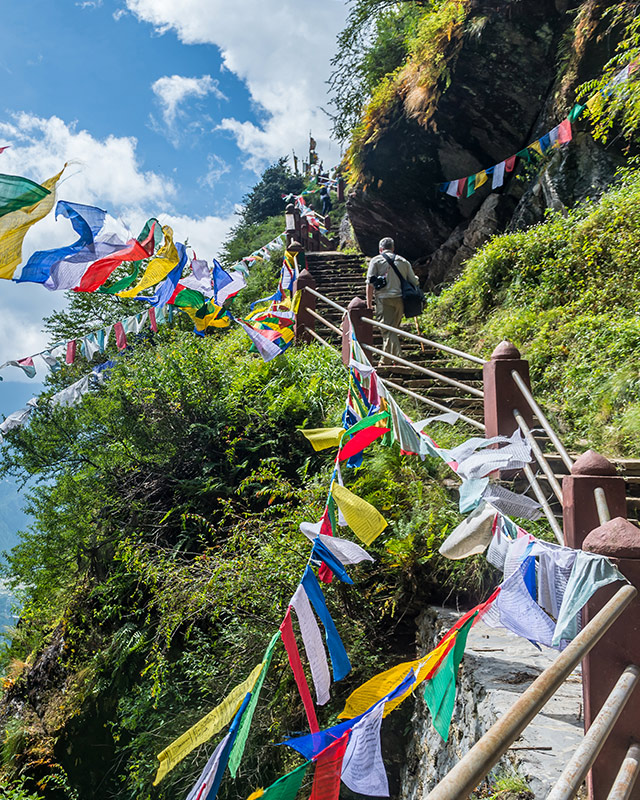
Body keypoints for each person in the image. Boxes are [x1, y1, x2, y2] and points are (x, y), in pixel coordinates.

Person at [366, 237, 420, 363]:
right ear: (393, 248)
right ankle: (387, 360)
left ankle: (397, 359)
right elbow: (414, 281)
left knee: (387, 330)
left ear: (380, 249)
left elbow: (370, 283)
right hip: (400, 299)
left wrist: (369, 302)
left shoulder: (376, 261)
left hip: (383, 299)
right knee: (392, 330)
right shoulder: (403, 261)